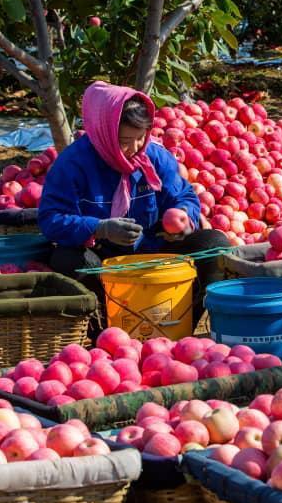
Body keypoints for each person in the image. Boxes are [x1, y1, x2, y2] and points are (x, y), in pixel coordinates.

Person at [38, 81, 229, 329]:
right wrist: (100, 228)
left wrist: (183, 217)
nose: (136, 148)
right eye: (126, 140)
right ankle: (109, 331)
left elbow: (185, 195)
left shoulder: (154, 157)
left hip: (155, 253)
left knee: (215, 245)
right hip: (104, 260)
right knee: (67, 259)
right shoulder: (73, 164)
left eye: (141, 138)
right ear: (104, 131)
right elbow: (51, 219)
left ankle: (180, 326)